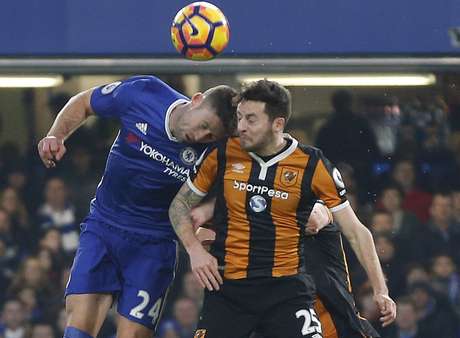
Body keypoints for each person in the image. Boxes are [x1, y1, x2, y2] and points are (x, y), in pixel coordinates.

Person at [169, 80, 395, 338]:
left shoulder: (312, 164)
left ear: (277, 124)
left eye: (251, 120)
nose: (241, 127)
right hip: (230, 292)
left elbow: (356, 231)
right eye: (240, 117)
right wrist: (195, 250)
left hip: (287, 292)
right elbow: (180, 204)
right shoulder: (222, 153)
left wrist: (381, 290)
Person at [37, 75, 238, 338]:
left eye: (210, 134)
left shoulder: (217, 149)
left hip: (154, 245)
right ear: (196, 100)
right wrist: (56, 135)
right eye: (203, 125)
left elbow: (226, 191)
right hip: (104, 228)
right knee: (77, 332)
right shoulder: (144, 92)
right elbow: (85, 102)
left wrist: (205, 227)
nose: (199, 136)